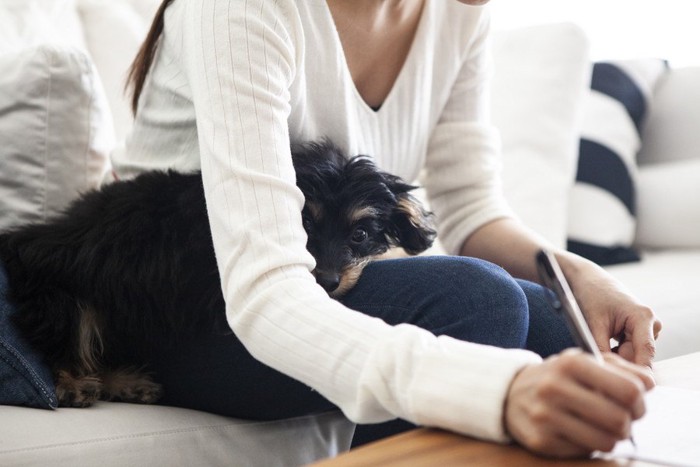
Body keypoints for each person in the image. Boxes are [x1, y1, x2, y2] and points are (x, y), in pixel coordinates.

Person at [110, 0, 662, 458]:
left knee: (554, 324)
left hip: (292, 290)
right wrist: (495, 389)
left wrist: (578, 274)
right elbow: (265, 291)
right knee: (477, 302)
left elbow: (471, 208)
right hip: (176, 307)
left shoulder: (459, 11)